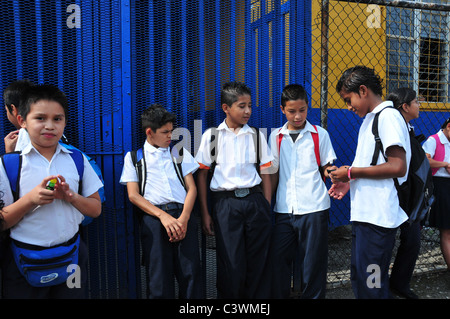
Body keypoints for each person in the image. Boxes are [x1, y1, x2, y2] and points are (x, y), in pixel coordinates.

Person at [0, 84, 103, 298]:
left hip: (71, 257)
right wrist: (31, 199)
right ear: (22, 121)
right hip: (24, 260)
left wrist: (70, 197)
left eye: (57, 119)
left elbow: (95, 209)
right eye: (40, 118)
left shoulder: (77, 159)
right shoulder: (9, 164)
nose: (50, 126)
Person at [329, 66, 411, 299]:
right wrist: (349, 181)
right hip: (366, 217)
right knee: (363, 279)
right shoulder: (371, 120)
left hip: (378, 219)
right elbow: (374, 164)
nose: (348, 106)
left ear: (363, 90)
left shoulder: (388, 117)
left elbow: (397, 166)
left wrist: (351, 173)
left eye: (348, 99)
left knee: (372, 283)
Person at [195, 81, 273, 298]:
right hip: (225, 204)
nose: (247, 111)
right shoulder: (212, 136)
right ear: (225, 108)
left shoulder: (256, 135)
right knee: (231, 262)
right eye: (241, 106)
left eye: (249, 105)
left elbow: (266, 171)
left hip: (255, 202)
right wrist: (206, 212)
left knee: (258, 261)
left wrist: (265, 204)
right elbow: (202, 174)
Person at [120, 104, 203, 299]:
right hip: (154, 221)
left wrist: (184, 219)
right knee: (158, 279)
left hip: (183, 216)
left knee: (191, 274)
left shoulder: (179, 153)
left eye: (171, 131)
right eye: (165, 132)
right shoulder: (134, 158)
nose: (170, 136)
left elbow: (192, 188)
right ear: (150, 132)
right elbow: (133, 195)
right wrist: (163, 217)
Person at [268, 84, 337, 299]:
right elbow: (273, 172)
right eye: (292, 111)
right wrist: (267, 202)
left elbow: (326, 164)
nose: (298, 116)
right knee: (277, 260)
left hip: (314, 206)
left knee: (313, 263)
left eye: (302, 110)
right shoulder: (276, 137)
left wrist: (331, 173)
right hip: (284, 209)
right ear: (282, 110)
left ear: (308, 108)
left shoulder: (319, 135)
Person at [385, 88, 421, 299]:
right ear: (405, 107)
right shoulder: (394, 128)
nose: (419, 105)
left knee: (413, 240)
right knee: (388, 242)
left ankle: (399, 283)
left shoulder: (409, 128)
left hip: (409, 196)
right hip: (395, 194)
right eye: (416, 102)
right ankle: (382, 286)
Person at [422, 117, 450, 272]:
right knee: (446, 230)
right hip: (441, 185)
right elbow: (425, 161)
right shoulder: (433, 140)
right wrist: (445, 164)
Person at [3, 79, 34, 153]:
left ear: (13, 109)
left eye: (6, 110)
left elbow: (21, 164)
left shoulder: (25, 135)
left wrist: (10, 153)